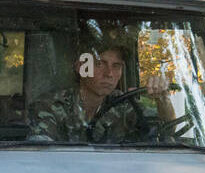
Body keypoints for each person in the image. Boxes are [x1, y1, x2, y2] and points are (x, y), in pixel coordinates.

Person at [29, 42, 175, 143]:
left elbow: (167, 130)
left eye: (116, 66)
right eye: (100, 64)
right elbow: (41, 154)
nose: (109, 74)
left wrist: (163, 99)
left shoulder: (123, 104)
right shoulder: (51, 105)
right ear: (81, 67)